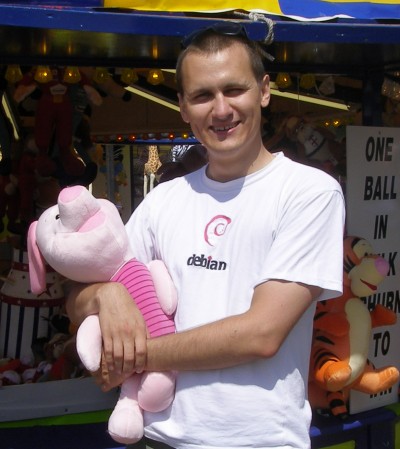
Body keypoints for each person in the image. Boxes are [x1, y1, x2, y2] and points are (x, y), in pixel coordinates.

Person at [66, 22, 345, 449]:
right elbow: (77, 299)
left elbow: (261, 334)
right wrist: (107, 297)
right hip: (157, 436)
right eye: (202, 95)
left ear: (264, 90)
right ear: (182, 106)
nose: (220, 110)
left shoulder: (309, 192)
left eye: (234, 90)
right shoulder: (165, 200)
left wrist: (132, 356)